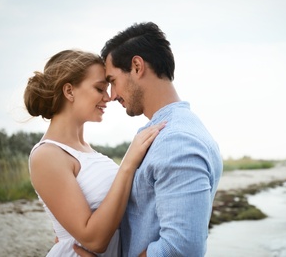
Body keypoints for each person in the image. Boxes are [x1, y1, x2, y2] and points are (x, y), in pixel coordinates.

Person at [74, 22, 223, 257]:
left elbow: (181, 249)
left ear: (136, 66)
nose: (111, 96)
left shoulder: (177, 142)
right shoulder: (168, 131)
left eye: (113, 81)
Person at [24, 49, 165, 256]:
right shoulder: (47, 155)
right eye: (100, 88)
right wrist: (128, 163)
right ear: (69, 91)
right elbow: (94, 240)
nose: (108, 97)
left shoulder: (87, 151)